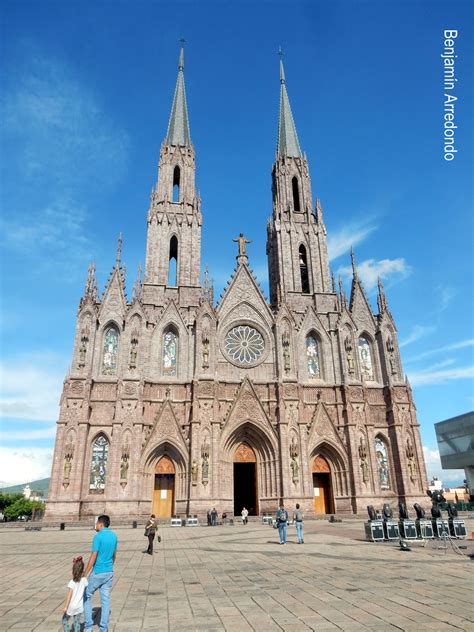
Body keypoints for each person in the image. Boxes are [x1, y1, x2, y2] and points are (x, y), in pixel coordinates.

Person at [83, 515, 118, 632]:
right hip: (109, 572)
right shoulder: (114, 536)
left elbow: (93, 556)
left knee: (86, 596)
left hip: (98, 572)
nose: (96, 525)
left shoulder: (98, 537)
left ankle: (88, 627)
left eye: (97, 523)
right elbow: (114, 555)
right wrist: (109, 566)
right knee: (105, 600)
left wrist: (85, 572)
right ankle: (104, 628)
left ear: (101, 524)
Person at [62, 556, 88, 632]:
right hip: (79, 606)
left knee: (64, 620)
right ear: (83, 570)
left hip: (71, 606)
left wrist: (65, 607)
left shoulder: (72, 582)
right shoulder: (84, 580)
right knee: (77, 622)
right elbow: (86, 589)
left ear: (73, 570)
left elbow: (69, 596)